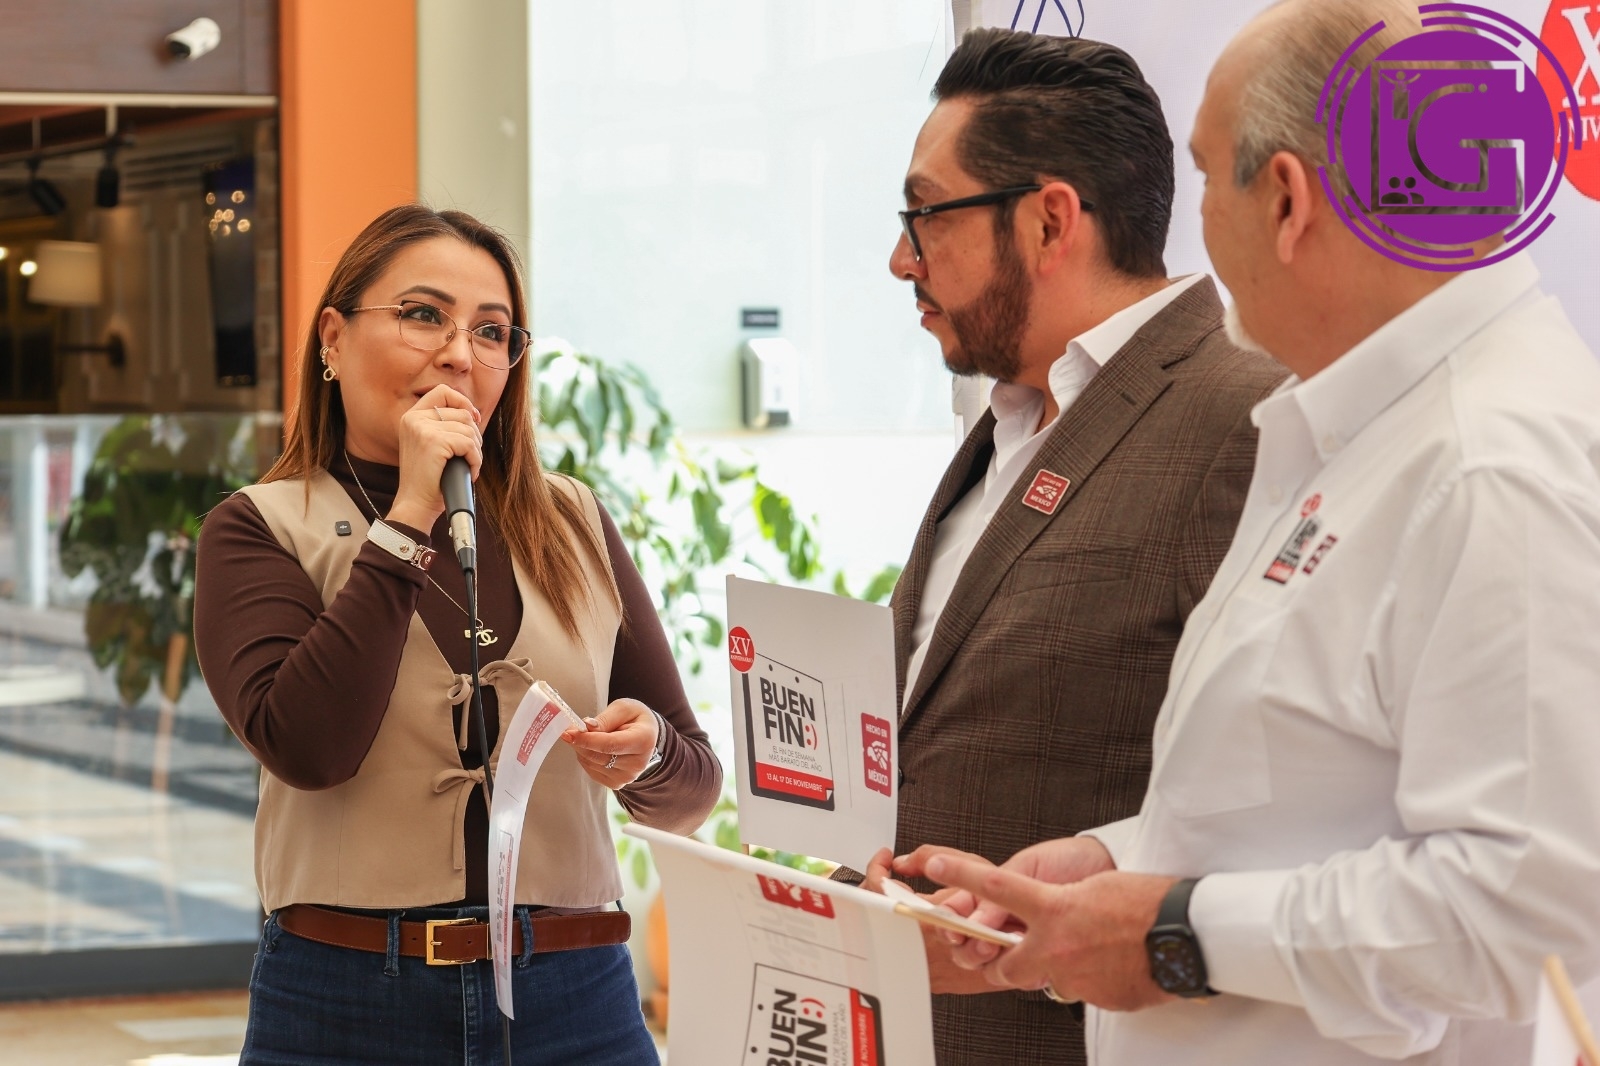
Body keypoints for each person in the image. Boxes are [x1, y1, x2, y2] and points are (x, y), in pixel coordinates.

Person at [922, 2, 1600, 1063]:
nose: (1191, 230)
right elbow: (1311, 805)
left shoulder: (1490, 463)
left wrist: (1175, 934)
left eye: (1204, 179)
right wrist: (1118, 865)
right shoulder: (1361, 424)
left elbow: (1525, 905)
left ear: (1285, 200)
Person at [837, 27, 1284, 1066]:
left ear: (1048, 221)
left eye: (925, 216)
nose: (902, 260)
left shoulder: (1252, 415)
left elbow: (1292, 798)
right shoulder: (1002, 423)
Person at [194, 204, 720, 1065]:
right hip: (346, 1002)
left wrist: (650, 751)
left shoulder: (572, 521)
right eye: (422, 314)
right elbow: (309, 748)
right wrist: (409, 515)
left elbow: (691, 788)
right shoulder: (260, 526)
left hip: (577, 997)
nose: (458, 353)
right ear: (333, 339)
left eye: (491, 331)